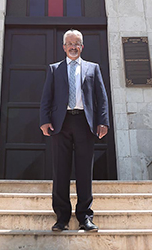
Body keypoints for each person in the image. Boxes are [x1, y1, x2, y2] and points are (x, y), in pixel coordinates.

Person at [39, 29, 110, 232]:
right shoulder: (54, 69)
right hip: (60, 124)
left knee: (84, 171)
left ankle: (85, 217)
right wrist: (44, 121)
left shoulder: (92, 68)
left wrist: (102, 121)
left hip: (84, 124)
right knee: (60, 171)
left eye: (76, 43)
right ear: (63, 47)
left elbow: (101, 98)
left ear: (82, 46)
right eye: (69, 43)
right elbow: (47, 97)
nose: (73, 46)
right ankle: (61, 218)